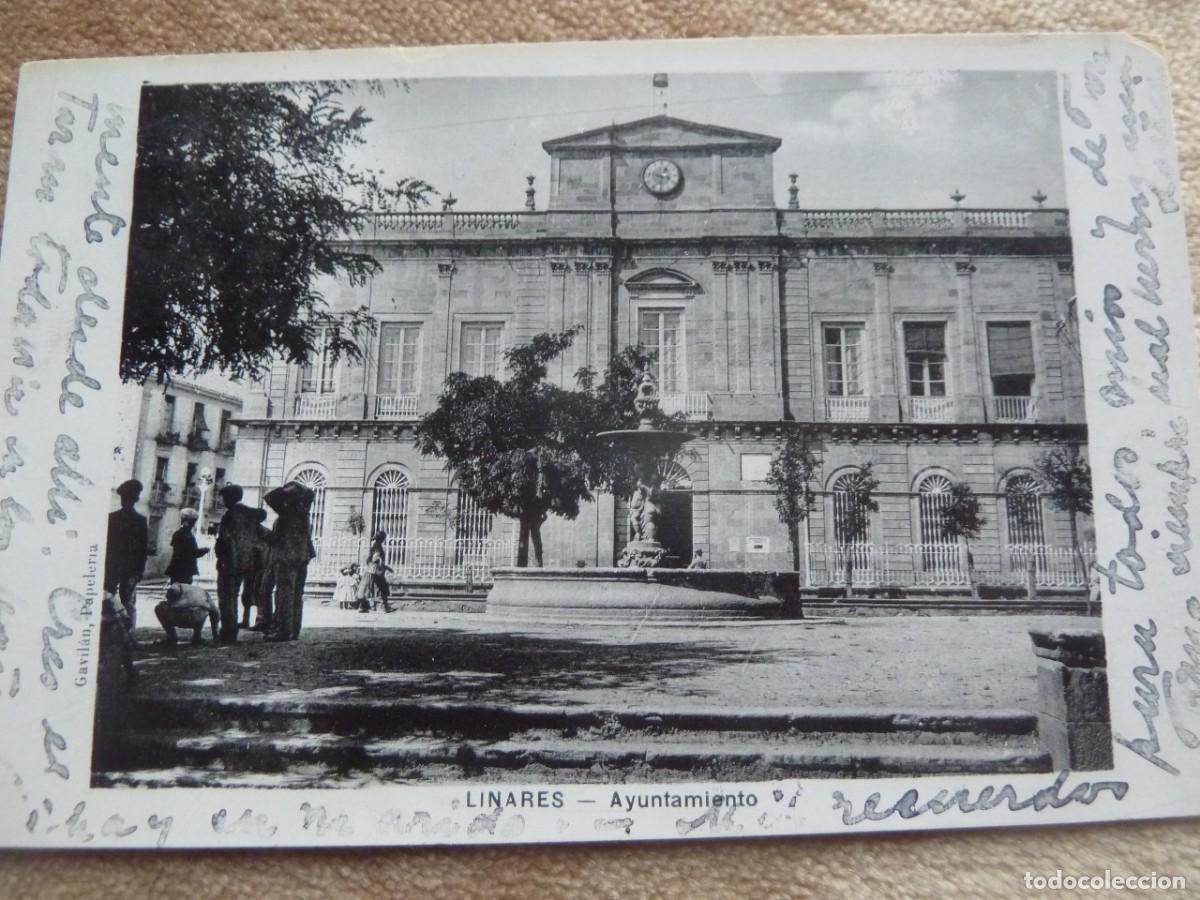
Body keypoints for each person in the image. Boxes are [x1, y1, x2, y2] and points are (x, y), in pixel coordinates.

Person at [214, 483, 268, 643]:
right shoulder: (249, 514)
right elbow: (262, 517)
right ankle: (232, 630)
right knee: (236, 595)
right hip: (248, 563)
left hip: (229, 562)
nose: (222, 500)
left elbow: (224, 540)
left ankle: (228, 633)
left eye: (224, 497)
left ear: (230, 498)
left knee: (226, 597)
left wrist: (220, 557)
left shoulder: (230, 516)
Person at [263, 480, 316, 642]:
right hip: (301, 557)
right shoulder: (304, 512)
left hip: (287, 558)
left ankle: (283, 631)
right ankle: (293, 630)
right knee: (296, 596)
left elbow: (269, 497)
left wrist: (287, 490)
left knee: (284, 594)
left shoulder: (288, 513)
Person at [104, 479, 149, 629]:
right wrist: (140, 570)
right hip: (129, 568)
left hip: (113, 567)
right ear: (135, 499)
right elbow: (143, 549)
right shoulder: (140, 521)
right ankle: (129, 633)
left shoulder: (111, 518)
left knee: (108, 598)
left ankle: (109, 630)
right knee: (128, 602)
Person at [155, 582, 220, 645]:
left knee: (158, 608)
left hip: (179, 616)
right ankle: (197, 636)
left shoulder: (176, 587)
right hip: (196, 618)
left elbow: (172, 593)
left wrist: (170, 604)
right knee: (203, 609)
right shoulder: (201, 591)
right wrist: (215, 634)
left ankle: (172, 636)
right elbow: (215, 612)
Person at [164, 508, 209, 584]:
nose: (193, 524)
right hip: (182, 571)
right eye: (192, 522)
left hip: (182, 571)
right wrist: (203, 551)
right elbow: (189, 553)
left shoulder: (184, 534)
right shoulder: (182, 535)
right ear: (186, 522)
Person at [357, 531, 394, 613]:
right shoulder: (378, 547)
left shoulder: (374, 546)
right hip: (375, 572)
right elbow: (375, 559)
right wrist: (383, 564)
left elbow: (369, 560)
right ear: (382, 539)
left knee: (367, 589)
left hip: (370, 571)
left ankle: (363, 607)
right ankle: (381, 608)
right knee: (380, 589)